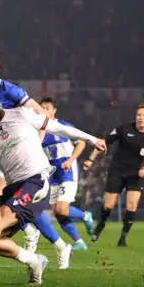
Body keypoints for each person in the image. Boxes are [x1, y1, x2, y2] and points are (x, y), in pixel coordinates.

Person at [0, 84, 105, 287]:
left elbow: (57, 127)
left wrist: (91, 139)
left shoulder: (21, 114)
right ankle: (35, 261)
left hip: (36, 181)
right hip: (13, 188)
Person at [0, 51, 73, 268]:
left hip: (22, 154)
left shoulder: (10, 91)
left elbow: (41, 116)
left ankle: (47, 240)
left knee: (0, 198)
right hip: (6, 152)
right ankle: (45, 239)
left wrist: (36, 143)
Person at [83, 105, 144, 247]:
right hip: (117, 171)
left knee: (132, 206)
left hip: (136, 174)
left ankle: (123, 237)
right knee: (109, 205)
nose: (140, 118)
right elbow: (103, 142)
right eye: (138, 115)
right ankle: (101, 225)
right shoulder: (123, 129)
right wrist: (90, 159)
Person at [39, 97, 94, 250]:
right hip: (52, 175)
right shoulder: (40, 131)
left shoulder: (63, 126)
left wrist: (70, 161)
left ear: (54, 110)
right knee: (57, 213)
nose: (44, 111)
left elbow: (81, 142)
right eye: (41, 108)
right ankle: (79, 242)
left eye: (47, 108)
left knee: (62, 209)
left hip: (67, 172)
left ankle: (84, 215)